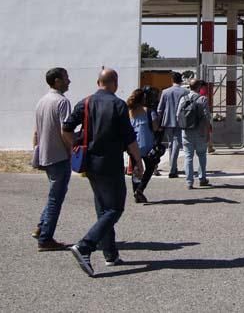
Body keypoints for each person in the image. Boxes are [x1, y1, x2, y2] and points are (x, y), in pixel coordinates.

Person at [62, 68, 144, 277]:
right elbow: (129, 138)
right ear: (114, 83)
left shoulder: (86, 102)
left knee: (103, 207)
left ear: (98, 82)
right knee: (115, 208)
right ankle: (85, 246)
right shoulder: (118, 105)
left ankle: (110, 254)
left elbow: (67, 128)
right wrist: (138, 160)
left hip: (90, 163)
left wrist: (75, 148)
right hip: (110, 162)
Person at [32, 67, 72, 251]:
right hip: (59, 155)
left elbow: (36, 131)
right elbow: (66, 130)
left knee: (53, 195)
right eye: (66, 78)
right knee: (56, 198)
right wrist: (72, 150)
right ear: (57, 81)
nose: (69, 81)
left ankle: (41, 228)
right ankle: (46, 239)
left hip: (46, 154)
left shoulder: (42, 101)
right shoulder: (62, 102)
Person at [126, 88, 161, 204]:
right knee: (150, 167)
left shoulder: (129, 112)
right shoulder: (149, 111)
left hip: (132, 144)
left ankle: (136, 192)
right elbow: (156, 127)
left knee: (136, 168)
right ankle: (140, 189)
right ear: (143, 99)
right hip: (147, 144)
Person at [179, 79, 211, 190]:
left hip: (186, 131)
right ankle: (202, 178)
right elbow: (207, 116)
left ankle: (189, 182)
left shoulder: (183, 98)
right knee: (202, 155)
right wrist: (208, 130)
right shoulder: (203, 99)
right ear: (198, 87)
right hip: (200, 131)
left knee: (188, 157)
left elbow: (178, 114)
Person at [155, 72, 188, 178]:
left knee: (171, 144)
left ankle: (173, 166)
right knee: (176, 145)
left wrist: (158, 123)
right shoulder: (185, 92)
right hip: (181, 121)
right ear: (181, 80)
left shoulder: (165, 92)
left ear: (172, 80)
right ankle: (173, 169)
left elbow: (160, 109)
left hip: (168, 121)